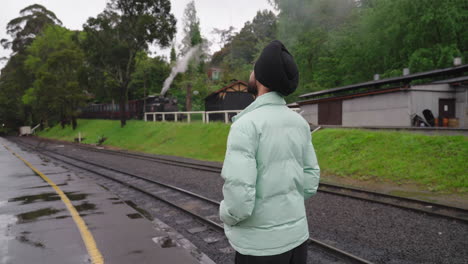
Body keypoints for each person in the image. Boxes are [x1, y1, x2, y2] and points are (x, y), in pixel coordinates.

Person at [219, 40, 321, 264]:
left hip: (260, 248)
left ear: (261, 77)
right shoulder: (299, 123)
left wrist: (225, 214)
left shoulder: (245, 125)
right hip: (297, 241)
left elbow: (239, 201)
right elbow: (310, 180)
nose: (250, 71)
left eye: (254, 67)